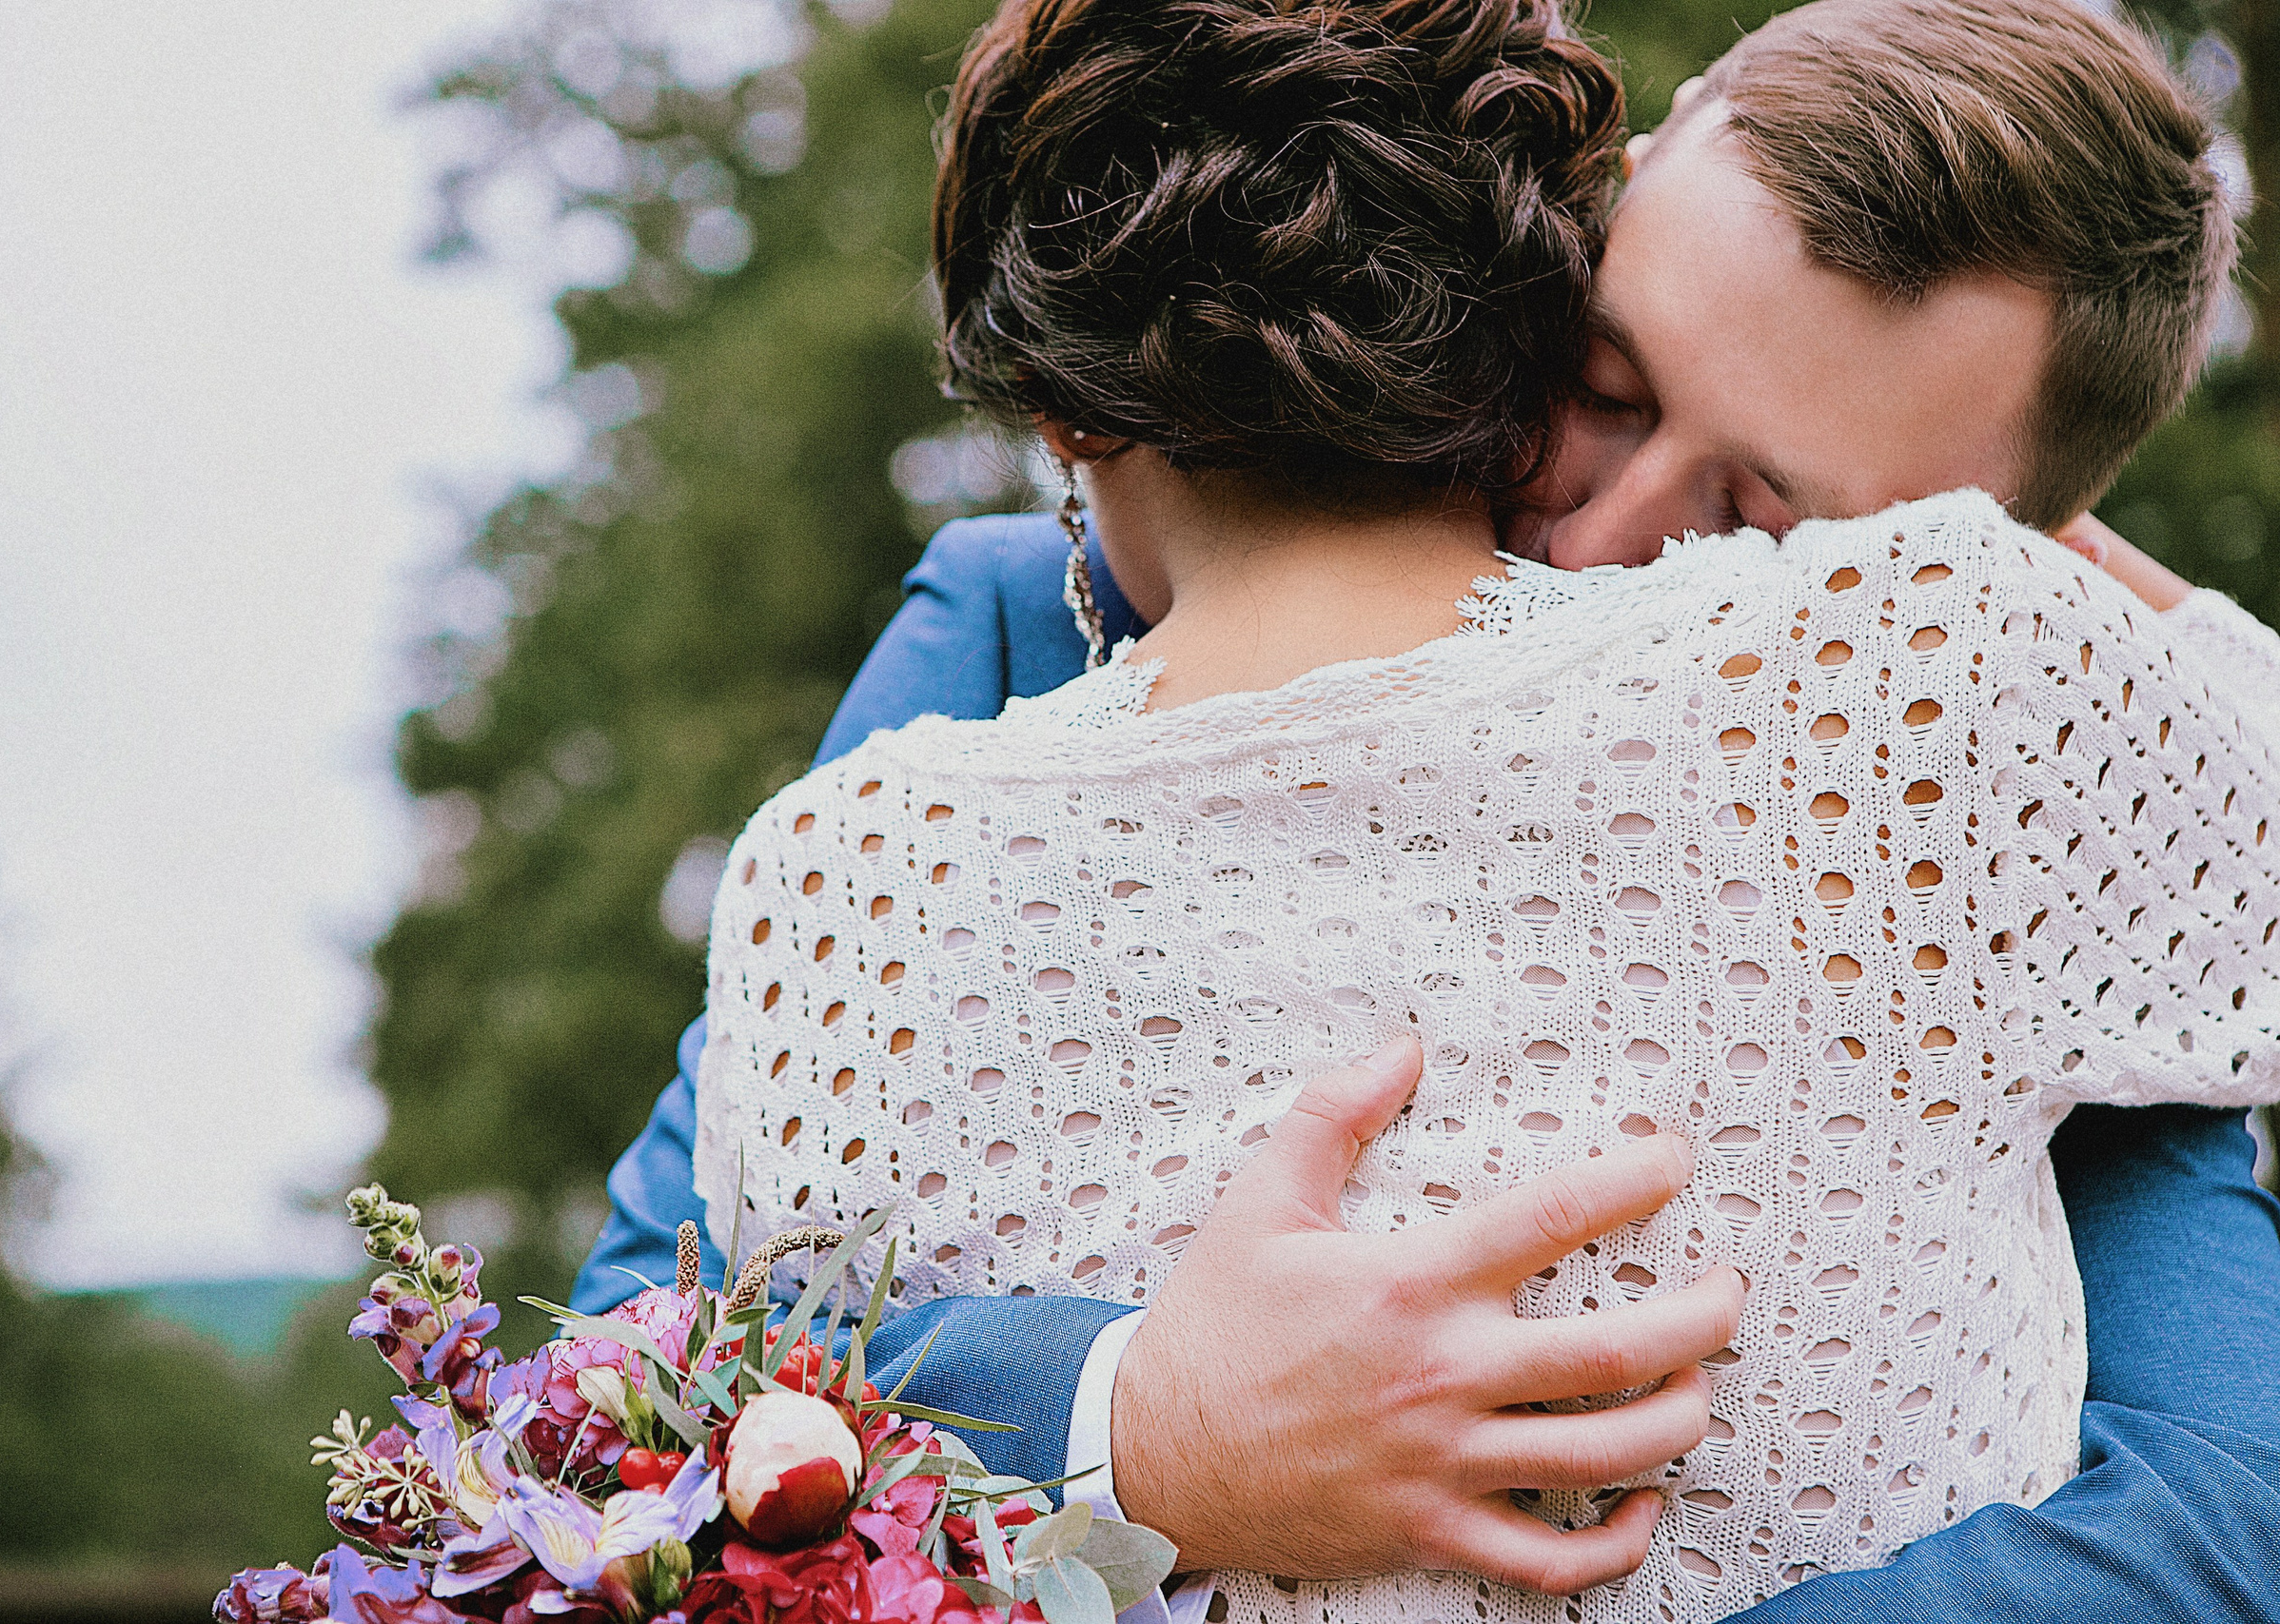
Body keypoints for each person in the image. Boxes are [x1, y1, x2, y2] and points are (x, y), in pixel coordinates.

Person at [582, 0, 2280, 1617]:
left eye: (1770, 533)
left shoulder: (1989, 783)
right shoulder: (1012, 634)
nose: (1613, 542)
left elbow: (2215, 1508)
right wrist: (1138, 1427)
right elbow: (614, 1369)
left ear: (1953, 577)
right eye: (1606, 388)